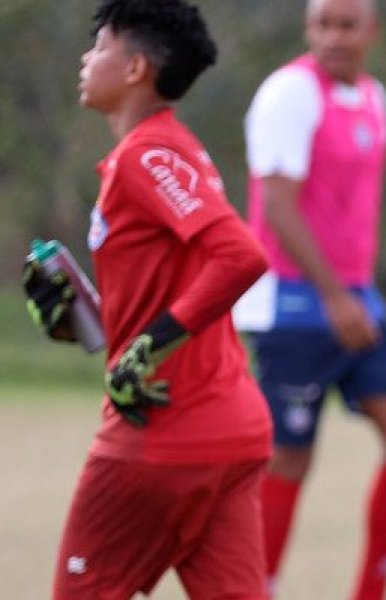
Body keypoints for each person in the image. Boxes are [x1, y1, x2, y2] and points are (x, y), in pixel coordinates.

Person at [20, 0, 274, 597]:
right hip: (230, 432)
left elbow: (241, 257)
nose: (87, 58)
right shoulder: (160, 149)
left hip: (164, 434)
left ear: (135, 68)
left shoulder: (148, 154)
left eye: (101, 45)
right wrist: (84, 318)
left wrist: (146, 349)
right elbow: (176, 293)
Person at [233, 0, 386, 597]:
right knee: (288, 457)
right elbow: (276, 205)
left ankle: (372, 590)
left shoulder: (374, 96)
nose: (334, 37)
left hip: (354, 298)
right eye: (322, 24)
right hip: (293, 304)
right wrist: (333, 296)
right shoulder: (289, 94)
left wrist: (354, 294)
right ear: (308, 28)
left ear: (372, 31)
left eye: (347, 24)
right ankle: (256, 586)